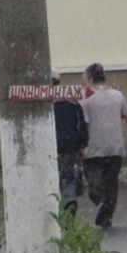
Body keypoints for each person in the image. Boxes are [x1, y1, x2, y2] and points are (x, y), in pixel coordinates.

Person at [80, 63, 127, 227]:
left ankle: (101, 203)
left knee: (94, 182)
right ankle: (107, 214)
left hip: (93, 147)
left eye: (85, 78)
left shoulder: (86, 98)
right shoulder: (118, 95)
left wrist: (80, 145)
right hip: (115, 146)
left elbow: (84, 124)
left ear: (91, 78)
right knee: (112, 182)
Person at [52, 76, 89, 216]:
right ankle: (70, 198)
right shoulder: (72, 103)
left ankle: (57, 206)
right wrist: (81, 145)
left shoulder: (42, 105)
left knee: (50, 178)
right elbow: (82, 126)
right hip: (69, 146)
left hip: (51, 146)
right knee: (68, 176)